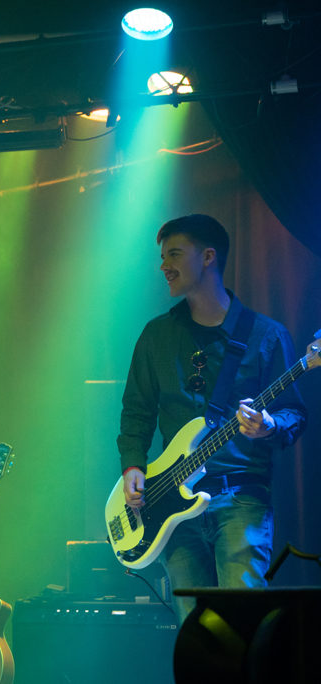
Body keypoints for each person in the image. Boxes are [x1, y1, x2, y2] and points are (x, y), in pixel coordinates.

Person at [117, 214, 307, 619]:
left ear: (207, 257)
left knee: (242, 628)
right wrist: (133, 464)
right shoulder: (156, 335)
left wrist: (271, 426)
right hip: (171, 505)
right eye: (162, 256)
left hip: (241, 499)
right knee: (196, 639)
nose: (163, 265)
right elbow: (136, 409)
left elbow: (294, 411)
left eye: (174, 254)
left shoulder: (266, 335)